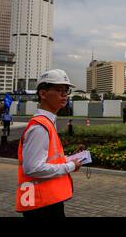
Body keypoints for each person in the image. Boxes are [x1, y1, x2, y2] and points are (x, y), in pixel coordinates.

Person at [16, 69, 82, 217]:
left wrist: (69, 159)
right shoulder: (40, 127)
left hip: (47, 201)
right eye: (59, 90)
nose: (64, 94)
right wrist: (70, 166)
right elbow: (32, 168)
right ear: (43, 94)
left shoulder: (47, 122)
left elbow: (48, 159)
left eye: (66, 90)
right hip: (41, 206)